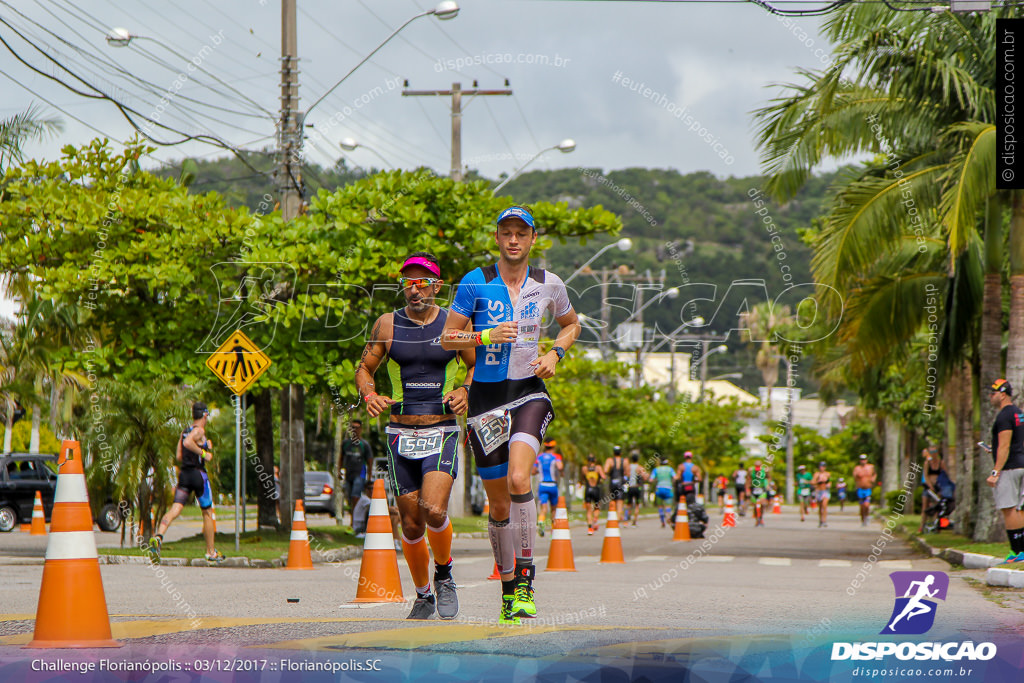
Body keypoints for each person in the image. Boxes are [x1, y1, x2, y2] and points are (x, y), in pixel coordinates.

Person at [441, 205, 581, 625]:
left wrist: (556, 352)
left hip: (528, 392)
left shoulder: (548, 283)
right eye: (507, 232)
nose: (514, 240)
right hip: (485, 399)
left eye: (522, 233)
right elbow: (448, 338)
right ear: (498, 237)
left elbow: (572, 324)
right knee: (498, 502)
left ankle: (525, 579)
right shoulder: (476, 282)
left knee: (521, 478)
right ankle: (507, 591)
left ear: (533, 239)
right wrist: (484, 335)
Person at [355, 251, 475, 620]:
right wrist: (370, 395)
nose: (414, 288)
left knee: (434, 510)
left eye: (422, 281)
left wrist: (465, 391)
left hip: (441, 429)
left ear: (437, 286)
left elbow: (473, 367)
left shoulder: (455, 326)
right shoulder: (387, 324)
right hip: (399, 433)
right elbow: (364, 368)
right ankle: (423, 594)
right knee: (410, 522)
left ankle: (445, 574)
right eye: (408, 281)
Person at [150, 402, 225, 564]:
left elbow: (179, 455)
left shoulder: (184, 431)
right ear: (204, 415)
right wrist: (204, 453)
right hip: (198, 475)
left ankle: (158, 536)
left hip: (185, 475)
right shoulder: (199, 431)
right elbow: (188, 443)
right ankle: (211, 552)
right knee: (207, 512)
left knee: (175, 508)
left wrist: (202, 445)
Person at [986, 379, 1024, 563]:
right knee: (1020, 509)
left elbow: (1004, 446)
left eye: (992, 393)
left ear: (1002, 394)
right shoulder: (1018, 413)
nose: (990, 397)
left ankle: (1016, 552)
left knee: (1009, 509)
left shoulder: (1003, 417)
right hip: (1021, 464)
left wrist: (995, 472)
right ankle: (1022, 551)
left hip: (1009, 468)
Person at [339, 419, 373, 529]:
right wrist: (339, 470)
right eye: (353, 427)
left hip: (360, 474)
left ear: (361, 429)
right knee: (349, 499)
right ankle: (354, 521)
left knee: (355, 498)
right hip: (349, 474)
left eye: (357, 427)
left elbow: (370, 461)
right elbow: (341, 457)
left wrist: (369, 477)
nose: (355, 430)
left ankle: (355, 522)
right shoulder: (346, 443)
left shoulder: (364, 445)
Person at [920, 446, 955, 534]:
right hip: (928, 487)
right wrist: (930, 486)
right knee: (925, 506)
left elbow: (945, 473)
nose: (934, 454)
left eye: (935, 451)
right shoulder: (927, 463)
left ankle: (936, 526)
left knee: (937, 507)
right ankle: (922, 526)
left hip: (938, 487)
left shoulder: (941, 462)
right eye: (931, 452)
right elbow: (926, 475)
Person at [533, 440, 563, 537]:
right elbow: (560, 466)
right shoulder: (556, 457)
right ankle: (553, 531)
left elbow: (533, 471)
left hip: (542, 485)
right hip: (553, 485)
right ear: (553, 447)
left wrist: (540, 470)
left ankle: (541, 521)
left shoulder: (539, 457)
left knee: (544, 508)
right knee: (553, 509)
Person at [581, 455, 605, 535]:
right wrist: (600, 480)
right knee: (597, 507)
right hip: (595, 489)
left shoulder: (584, 468)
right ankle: (595, 519)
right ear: (595, 460)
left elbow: (583, 479)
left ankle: (590, 528)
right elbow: (603, 476)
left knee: (588, 510)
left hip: (588, 489)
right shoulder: (598, 468)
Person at [852, 454, 878, 527]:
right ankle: (863, 519)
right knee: (862, 506)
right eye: (861, 459)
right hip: (860, 489)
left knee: (866, 505)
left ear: (866, 460)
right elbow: (854, 477)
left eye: (864, 459)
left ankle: (866, 517)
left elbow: (875, 474)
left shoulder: (871, 467)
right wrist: (857, 475)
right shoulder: (857, 468)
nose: (863, 461)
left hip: (868, 489)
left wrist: (873, 479)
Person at [604, 446, 628, 521]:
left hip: (613, 482)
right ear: (621, 453)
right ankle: (617, 519)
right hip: (621, 482)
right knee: (620, 501)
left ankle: (612, 517)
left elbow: (605, 470)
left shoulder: (610, 460)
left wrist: (609, 473)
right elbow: (627, 472)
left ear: (613, 452)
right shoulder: (624, 461)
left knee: (613, 500)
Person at [651, 458, 676, 528]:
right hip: (668, 488)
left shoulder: (656, 469)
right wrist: (672, 483)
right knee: (668, 506)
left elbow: (651, 479)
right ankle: (668, 517)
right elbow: (675, 477)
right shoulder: (670, 469)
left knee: (660, 506)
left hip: (659, 488)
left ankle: (662, 521)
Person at [626, 454, 648, 526]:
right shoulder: (639, 467)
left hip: (629, 487)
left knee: (628, 504)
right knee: (637, 505)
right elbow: (645, 477)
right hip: (637, 487)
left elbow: (626, 475)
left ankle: (626, 520)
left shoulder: (628, 467)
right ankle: (634, 521)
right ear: (637, 459)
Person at [750, 460, 770, 527]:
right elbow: (748, 479)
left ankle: (761, 518)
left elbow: (768, 477)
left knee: (762, 504)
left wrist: (767, 484)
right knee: (755, 505)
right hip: (754, 489)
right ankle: (757, 519)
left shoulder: (764, 470)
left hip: (762, 489)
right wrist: (747, 489)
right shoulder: (751, 470)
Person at [812, 461, 831, 528]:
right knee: (820, 507)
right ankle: (821, 520)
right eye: (820, 466)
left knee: (824, 505)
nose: (821, 468)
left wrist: (827, 484)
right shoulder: (817, 474)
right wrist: (818, 482)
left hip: (825, 491)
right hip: (819, 491)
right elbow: (812, 482)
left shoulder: (827, 474)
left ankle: (825, 520)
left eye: (823, 466)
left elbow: (830, 482)